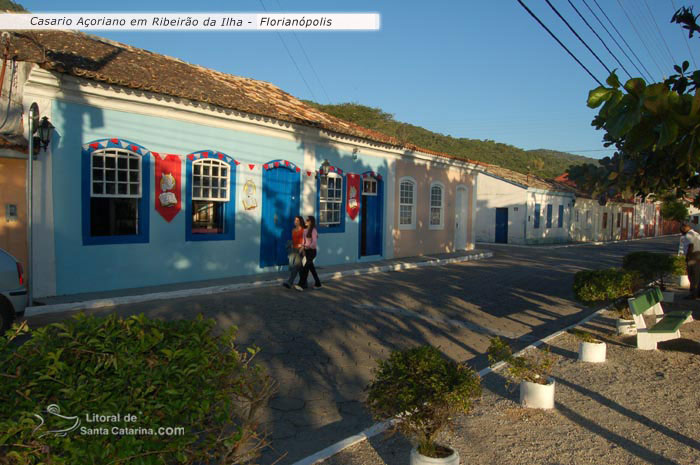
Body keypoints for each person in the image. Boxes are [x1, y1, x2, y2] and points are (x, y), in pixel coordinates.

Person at [296, 215, 322, 290]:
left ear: (311, 222)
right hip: (306, 251)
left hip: (312, 251)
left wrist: (308, 246)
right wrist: (302, 246)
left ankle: (301, 285)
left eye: (308, 220)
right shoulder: (305, 230)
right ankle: (318, 283)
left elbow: (314, 242)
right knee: (312, 269)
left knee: (306, 268)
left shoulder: (313, 230)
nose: (306, 221)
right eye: (306, 220)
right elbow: (304, 241)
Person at [283, 216, 306, 289]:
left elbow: (305, 241)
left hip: (300, 250)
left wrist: (302, 248)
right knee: (300, 268)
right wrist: (291, 245)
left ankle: (290, 282)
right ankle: (305, 283)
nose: (295, 221)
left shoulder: (303, 230)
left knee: (295, 267)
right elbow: (294, 240)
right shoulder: (293, 230)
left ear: (300, 221)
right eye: (295, 220)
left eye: (297, 220)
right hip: (294, 250)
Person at [678, 223, 700, 299]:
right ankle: (698, 293)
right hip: (698, 255)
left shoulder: (688, 236)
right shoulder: (696, 234)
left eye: (681, 231)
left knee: (692, 275)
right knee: (698, 275)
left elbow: (691, 246)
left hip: (693, 256)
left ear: (684, 230)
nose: (681, 232)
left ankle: (693, 294)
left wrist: (688, 257)